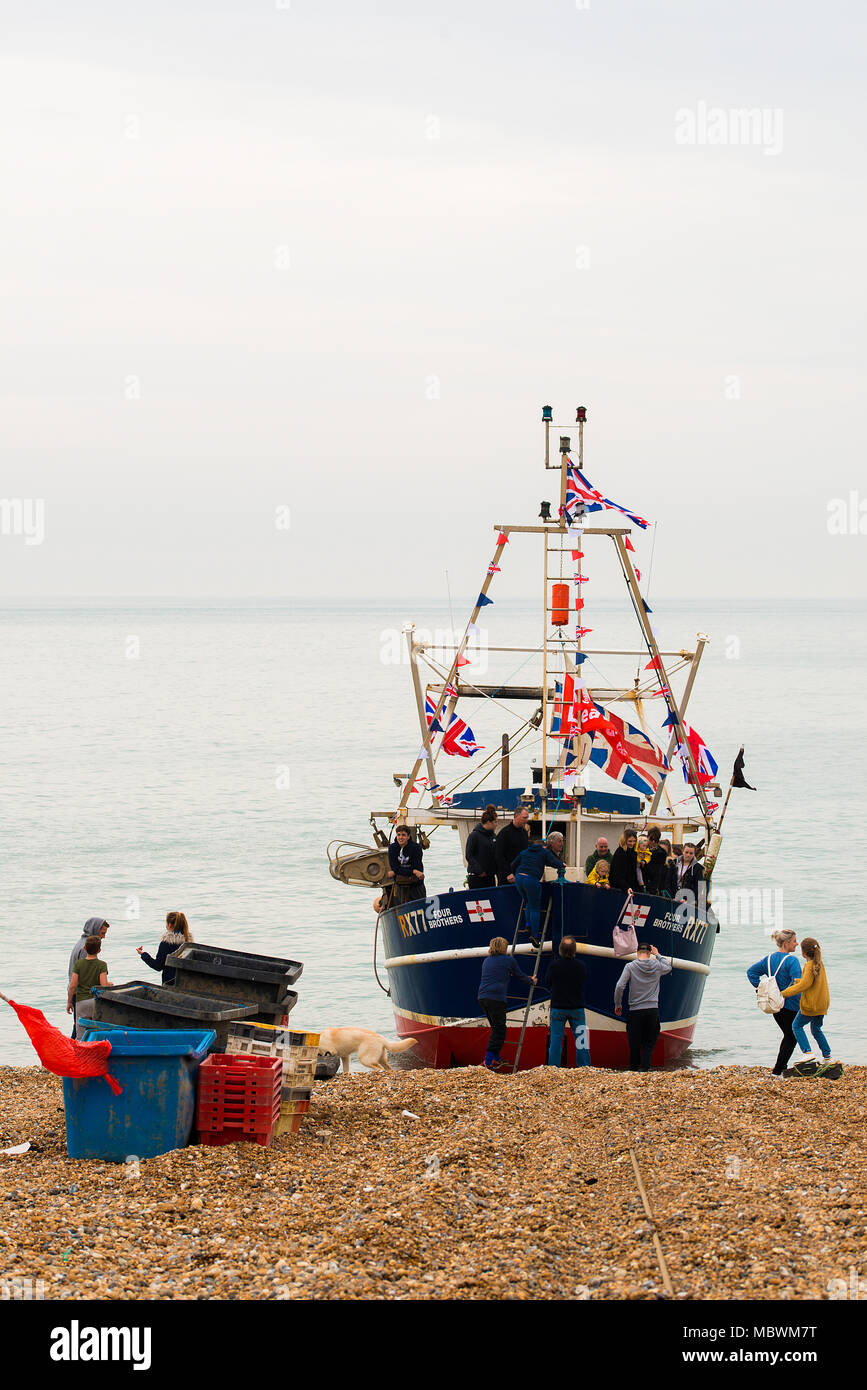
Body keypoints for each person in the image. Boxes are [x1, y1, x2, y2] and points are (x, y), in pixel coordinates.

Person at [746, 929, 803, 1077]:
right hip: (791, 1005)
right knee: (792, 1036)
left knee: (789, 1035)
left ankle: (779, 1069)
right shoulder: (792, 961)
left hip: (775, 1005)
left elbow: (751, 972)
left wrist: (760, 989)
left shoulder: (769, 959)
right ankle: (778, 1071)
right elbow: (798, 984)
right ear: (786, 943)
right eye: (794, 941)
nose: (797, 944)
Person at [478, 936, 536, 1072]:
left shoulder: (486, 961)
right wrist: (531, 981)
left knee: (496, 1028)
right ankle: (488, 1060)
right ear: (503, 948)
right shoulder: (508, 960)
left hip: (482, 997)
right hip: (496, 999)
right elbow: (520, 975)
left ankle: (497, 1058)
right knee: (500, 1030)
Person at [780, 936, 836, 1076]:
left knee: (796, 1026)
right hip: (822, 1004)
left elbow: (805, 985)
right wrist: (798, 981)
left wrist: (784, 993)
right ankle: (828, 1057)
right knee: (816, 1029)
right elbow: (809, 981)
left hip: (810, 1005)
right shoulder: (819, 964)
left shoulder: (809, 965)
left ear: (804, 953)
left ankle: (807, 1052)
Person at [614, 941, 672, 1071]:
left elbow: (620, 986)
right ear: (649, 953)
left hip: (635, 1010)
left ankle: (634, 1069)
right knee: (649, 1042)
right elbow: (668, 967)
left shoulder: (630, 966)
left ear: (637, 952)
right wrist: (658, 955)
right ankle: (645, 1069)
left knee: (634, 1043)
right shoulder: (657, 965)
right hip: (652, 1010)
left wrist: (618, 1004)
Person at [512, 832, 566, 948]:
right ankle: (535, 936)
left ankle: (527, 925)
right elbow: (554, 862)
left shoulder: (525, 851)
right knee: (535, 907)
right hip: (531, 880)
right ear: (544, 846)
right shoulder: (544, 851)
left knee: (528, 903)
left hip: (519, 879)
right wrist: (562, 864)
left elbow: (513, 864)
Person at [546, 936, 590, 1067]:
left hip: (558, 1007)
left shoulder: (554, 966)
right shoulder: (581, 966)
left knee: (555, 1041)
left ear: (561, 949)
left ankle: (553, 1068)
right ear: (574, 950)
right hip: (577, 1007)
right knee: (581, 1041)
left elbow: (548, 982)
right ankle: (584, 1067)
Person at [66, 934, 112, 1037]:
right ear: (99, 950)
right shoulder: (102, 965)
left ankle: (82, 1051)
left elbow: (73, 985)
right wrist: (110, 984)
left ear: (84, 948)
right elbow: (103, 984)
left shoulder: (78, 964)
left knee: (81, 1034)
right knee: (98, 1031)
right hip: (96, 1002)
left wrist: (69, 1002)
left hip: (81, 1002)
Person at [137, 911, 192, 985]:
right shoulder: (189, 942)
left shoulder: (166, 943)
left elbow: (158, 966)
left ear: (169, 924)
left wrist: (143, 954)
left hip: (170, 984)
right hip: (186, 983)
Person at [386, 826, 426, 905]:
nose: (400, 837)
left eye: (403, 835)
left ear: (408, 836)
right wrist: (413, 871)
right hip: (400, 883)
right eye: (399, 835)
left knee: (419, 904)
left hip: (415, 883)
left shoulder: (416, 848)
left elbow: (418, 868)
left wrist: (397, 871)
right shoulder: (392, 848)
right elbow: (395, 867)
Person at [494, 806, 530, 885]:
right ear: (516, 816)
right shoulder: (504, 833)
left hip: (521, 874)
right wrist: (508, 873)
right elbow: (499, 856)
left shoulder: (524, 833)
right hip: (507, 877)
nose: (527, 820)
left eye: (527, 818)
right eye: (524, 818)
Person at [465, 805, 499, 889]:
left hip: (490, 876)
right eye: (495, 822)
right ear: (488, 822)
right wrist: (479, 871)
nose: (497, 825)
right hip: (477, 877)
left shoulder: (493, 836)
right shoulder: (474, 835)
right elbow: (469, 855)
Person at [643, 826, 669, 896]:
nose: (653, 842)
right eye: (651, 839)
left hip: (652, 885)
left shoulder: (661, 853)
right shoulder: (641, 848)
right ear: (647, 837)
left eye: (656, 840)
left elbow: (657, 872)